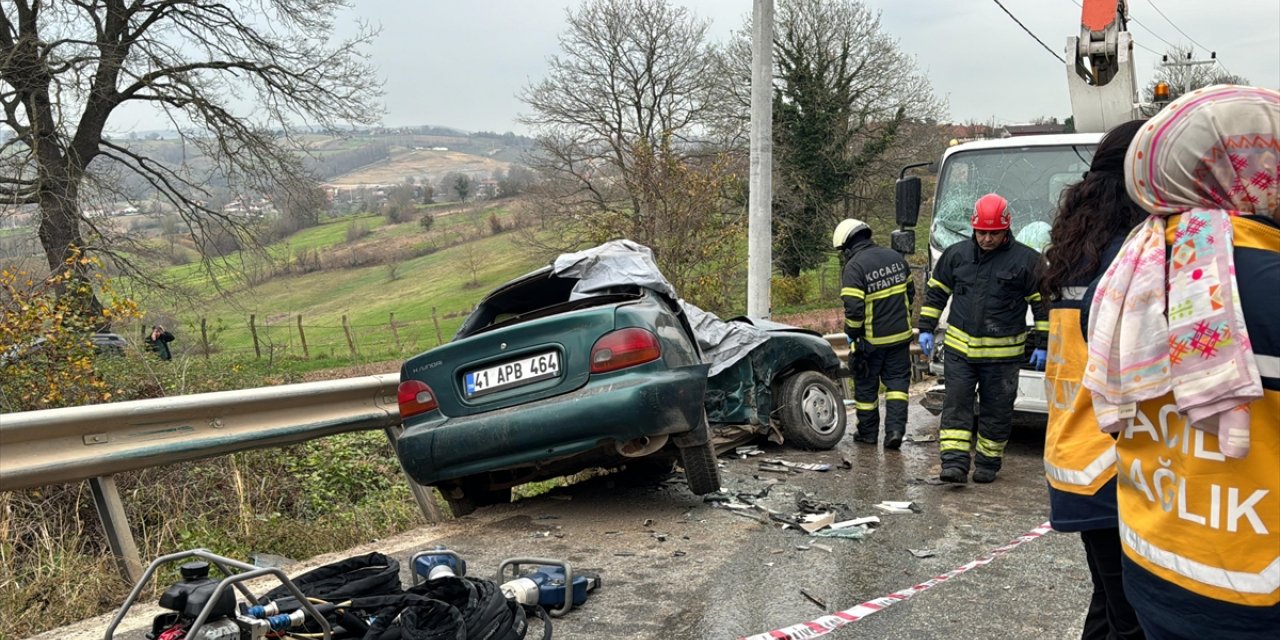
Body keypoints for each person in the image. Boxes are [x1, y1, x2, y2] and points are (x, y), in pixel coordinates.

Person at [1081, 85, 1278, 639]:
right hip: (1252, 596)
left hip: (1158, 570)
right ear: (1257, 166)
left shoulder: (1125, 278)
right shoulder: (1260, 281)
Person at [1039, 119, 1147, 640]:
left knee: (1108, 608)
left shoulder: (1076, 248)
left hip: (1076, 452)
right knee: (1132, 619)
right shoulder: (1132, 255)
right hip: (1114, 461)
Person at [917, 193, 1047, 483]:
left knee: (997, 412)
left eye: (994, 233)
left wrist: (1043, 343)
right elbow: (937, 292)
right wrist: (925, 326)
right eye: (982, 232)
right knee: (956, 407)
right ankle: (953, 463)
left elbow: (1043, 304)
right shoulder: (956, 255)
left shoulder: (1028, 261)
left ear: (1006, 229)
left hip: (1002, 359)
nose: (987, 239)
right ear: (973, 228)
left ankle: (988, 463)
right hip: (959, 354)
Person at [834, 218, 915, 449]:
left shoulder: (854, 267)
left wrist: (852, 333)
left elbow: (854, 308)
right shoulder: (896, 258)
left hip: (870, 342)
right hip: (900, 339)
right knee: (898, 387)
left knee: (866, 389)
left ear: (848, 246)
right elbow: (910, 294)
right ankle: (895, 432)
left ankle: (868, 434)